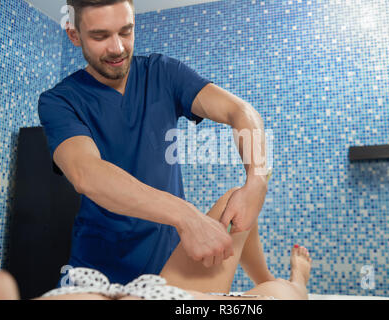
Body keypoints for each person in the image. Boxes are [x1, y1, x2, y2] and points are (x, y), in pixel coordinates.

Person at [38, 0, 269, 288]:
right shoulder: (60, 101)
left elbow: (241, 112)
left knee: (237, 202)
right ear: (74, 35)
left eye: (126, 31)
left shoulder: (164, 73)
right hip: (95, 271)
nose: (118, 48)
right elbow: (86, 173)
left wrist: (257, 180)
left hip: (171, 267)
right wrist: (186, 215)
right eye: (100, 36)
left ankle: (271, 281)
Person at [0, 187, 312, 300]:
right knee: (287, 295)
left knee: (236, 204)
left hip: (141, 291)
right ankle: (296, 281)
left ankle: (265, 278)